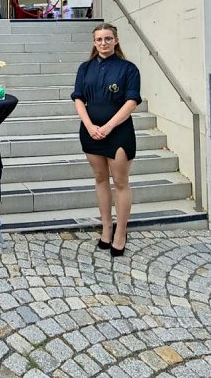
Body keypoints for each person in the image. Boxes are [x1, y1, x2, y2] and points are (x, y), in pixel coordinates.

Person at [71, 23, 141, 257]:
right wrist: (90, 127)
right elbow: (78, 99)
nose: (104, 43)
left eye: (108, 38)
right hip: (91, 132)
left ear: (116, 40)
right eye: (99, 39)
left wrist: (109, 127)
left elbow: (131, 101)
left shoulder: (129, 69)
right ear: (94, 42)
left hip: (119, 133)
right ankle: (106, 228)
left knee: (120, 182)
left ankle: (121, 232)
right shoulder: (85, 68)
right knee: (100, 178)